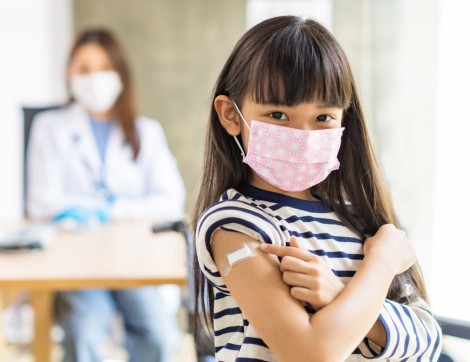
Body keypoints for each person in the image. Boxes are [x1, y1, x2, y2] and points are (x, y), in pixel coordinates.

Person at [193, 16, 442, 361]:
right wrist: (381, 264)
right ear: (231, 115)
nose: (304, 136)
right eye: (278, 115)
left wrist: (337, 294)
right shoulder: (236, 225)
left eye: (323, 118)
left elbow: (428, 341)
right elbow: (311, 353)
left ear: (344, 119)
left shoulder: (357, 215)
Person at [27, 28, 185, 362]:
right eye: (84, 68)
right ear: (69, 74)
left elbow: (170, 199)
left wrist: (110, 210)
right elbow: (41, 202)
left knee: (159, 336)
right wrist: (111, 209)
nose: (94, 78)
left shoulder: (146, 131)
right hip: (77, 263)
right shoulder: (50, 127)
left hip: (134, 260)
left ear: (120, 74)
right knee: (83, 334)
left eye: (104, 68)